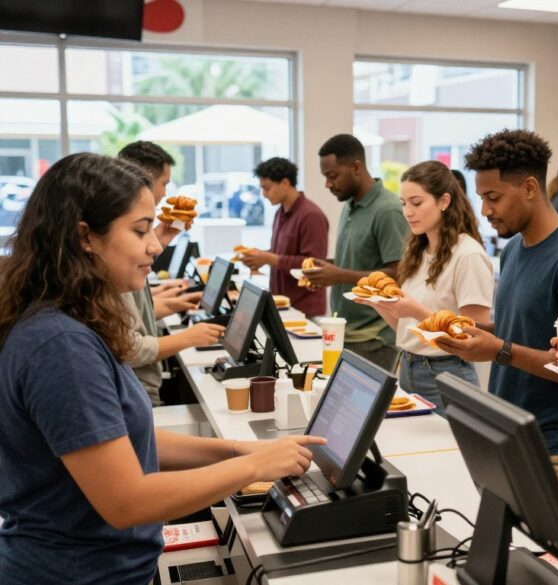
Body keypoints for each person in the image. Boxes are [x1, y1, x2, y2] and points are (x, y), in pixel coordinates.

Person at [0, 153, 325, 584]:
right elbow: (126, 501)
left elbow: (122, 438)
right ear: (86, 238)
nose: (155, 245)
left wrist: (240, 451)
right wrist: (251, 469)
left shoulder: (64, 321)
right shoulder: (61, 346)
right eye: (139, 231)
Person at [434, 129, 558, 502]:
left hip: (554, 448)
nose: (485, 211)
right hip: (508, 434)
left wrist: (499, 349)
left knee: (543, 560)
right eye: (482, 198)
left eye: (493, 197)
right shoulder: (514, 248)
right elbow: (524, 328)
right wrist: (476, 331)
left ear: (530, 187)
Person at [358, 161, 493, 415]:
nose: (408, 212)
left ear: (444, 201)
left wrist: (415, 310)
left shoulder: (468, 255)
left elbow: (474, 337)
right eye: (403, 203)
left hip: (447, 373)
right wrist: (379, 304)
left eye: (416, 203)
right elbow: (405, 329)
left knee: (446, 454)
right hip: (408, 365)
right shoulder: (417, 250)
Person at [118, 141, 224, 405]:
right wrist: (189, 337)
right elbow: (129, 346)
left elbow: (135, 313)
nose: (165, 193)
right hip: (138, 392)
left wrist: (161, 237)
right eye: (140, 231)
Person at [302, 134, 409, 372]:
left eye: (332, 176)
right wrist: (325, 270)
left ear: (356, 167)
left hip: (373, 339)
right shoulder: (349, 205)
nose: (328, 184)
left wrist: (338, 275)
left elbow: (397, 274)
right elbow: (355, 261)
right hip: (345, 332)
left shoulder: (388, 210)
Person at [240, 157, 329, 317]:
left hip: (305, 309)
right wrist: (259, 257)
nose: (264, 194)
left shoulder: (311, 216)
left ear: (285, 183)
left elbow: (314, 265)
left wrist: (268, 258)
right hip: (283, 304)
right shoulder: (280, 213)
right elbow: (281, 253)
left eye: (267, 188)